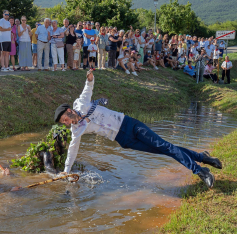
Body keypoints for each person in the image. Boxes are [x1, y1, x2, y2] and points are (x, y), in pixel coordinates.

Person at [54, 70, 222, 189]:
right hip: (123, 140)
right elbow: (72, 150)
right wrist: (66, 171)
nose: (67, 123)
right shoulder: (76, 130)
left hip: (129, 124)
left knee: (165, 146)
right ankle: (202, 158)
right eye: (64, 123)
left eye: (65, 119)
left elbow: (88, 87)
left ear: (69, 111)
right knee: (165, 150)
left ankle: (200, 171)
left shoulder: (81, 103)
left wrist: (90, 77)